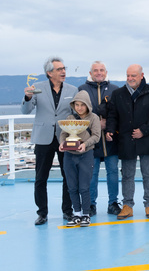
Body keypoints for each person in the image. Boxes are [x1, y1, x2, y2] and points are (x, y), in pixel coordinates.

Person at [22, 56, 77, 225]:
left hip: (64, 137)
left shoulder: (72, 89)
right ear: (49, 73)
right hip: (43, 138)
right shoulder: (37, 88)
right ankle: (42, 213)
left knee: (68, 176)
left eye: (64, 68)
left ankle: (68, 211)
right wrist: (28, 98)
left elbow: (77, 112)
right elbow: (26, 111)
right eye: (59, 69)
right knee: (40, 178)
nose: (63, 72)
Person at [106, 64, 149, 220]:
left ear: (141, 75)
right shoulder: (118, 94)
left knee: (148, 175)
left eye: (133, 76)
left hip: (146, 139)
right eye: (128, 76)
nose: (130, 78)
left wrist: (143, 130)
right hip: (126, 140)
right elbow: (113, 115)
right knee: (127, 175)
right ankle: (127, 206)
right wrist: (110, 130)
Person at [78, 61, 121, 216]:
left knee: (113, 171)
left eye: (101, 70)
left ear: (106, 71)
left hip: (111, 139)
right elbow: (79, 113)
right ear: (90, 73)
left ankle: (113, 203)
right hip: (90, 140)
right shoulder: (82, 90)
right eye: (95, 70)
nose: (98, 73)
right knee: (91, 173)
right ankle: (90, 204)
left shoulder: (115, 90)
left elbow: (118, 114)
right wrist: (97, 125)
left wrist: (108, 125)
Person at [60, 91, 101, 227]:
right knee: (72, 187)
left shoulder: (93, 118)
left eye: (82, 105)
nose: (79, 108)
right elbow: (63, 133)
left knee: (84, 186)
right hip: (69, 156)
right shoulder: (70, 117)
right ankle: (76, 213)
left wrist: (84, 144)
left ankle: (86, 214)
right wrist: (62, 143)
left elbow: (96, 136)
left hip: (86, 155)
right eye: (77, 105)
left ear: (87, 105)